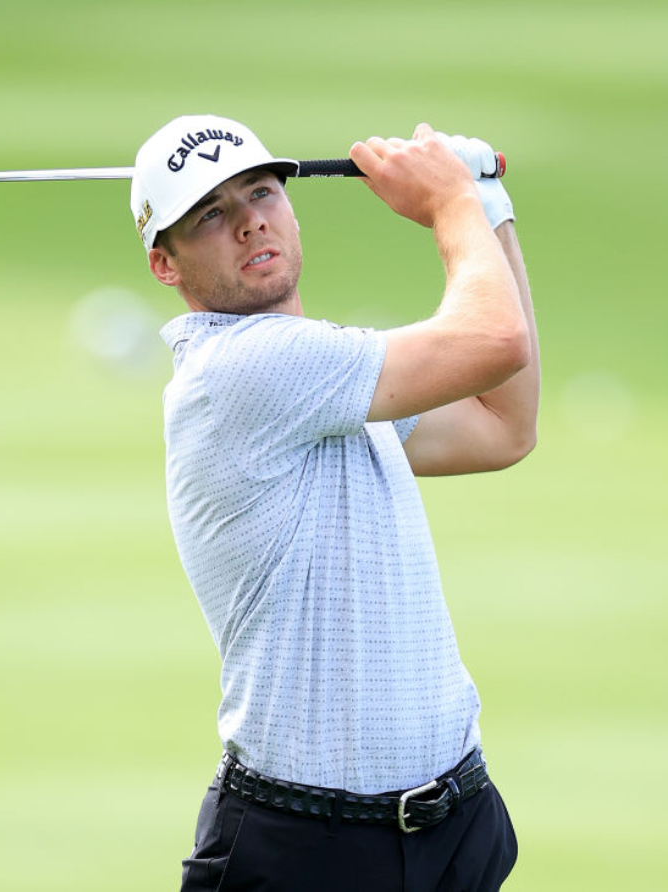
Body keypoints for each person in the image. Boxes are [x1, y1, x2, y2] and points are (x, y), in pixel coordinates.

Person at [130, 114, 539, 892]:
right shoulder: (242, 372)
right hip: (306, 852)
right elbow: (495, 340)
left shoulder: (331, 381)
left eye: (261, 191)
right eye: (210, 213)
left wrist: (488, 205)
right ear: (165, 263)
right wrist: (452, 203)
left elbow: (502, 426)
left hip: (454, 828)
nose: (251, 218)